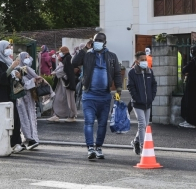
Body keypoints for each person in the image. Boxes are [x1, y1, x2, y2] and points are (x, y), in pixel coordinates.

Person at [72, 32, 122, 160]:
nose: (97, 42)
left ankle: (98, 147)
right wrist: (84, 49)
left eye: (100, 40)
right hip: (89, 95)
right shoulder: (87, 55)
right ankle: (90, 148)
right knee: (88, 122)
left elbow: (117, 73)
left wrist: (119, 89)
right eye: (95, 40)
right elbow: (74, 62)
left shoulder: (112, 57)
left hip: (105, 96)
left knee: (102, 124)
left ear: (105, 42)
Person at [0, 40, 24, 153]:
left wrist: (19, 75)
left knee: (15, 118)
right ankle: (7, 143)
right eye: (7, 47)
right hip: (1, 95)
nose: (9, 49)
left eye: (10, 47)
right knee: (5, 118)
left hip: (10, 95)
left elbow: (11, 78)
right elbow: (1, 79)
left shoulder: (8, 62)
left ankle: (16, 142)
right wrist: (11, 68)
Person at [127, 51, 158, 155]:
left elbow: (154, 84)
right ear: (137, 61)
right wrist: (136, 98)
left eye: (146, 59)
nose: (145, 62)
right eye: (142, 60)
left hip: (147, 103)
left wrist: (151, 97)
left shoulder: (149, 71)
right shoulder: (132, 72)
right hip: (137, 103)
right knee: (142, 123)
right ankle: (142, 147)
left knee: (145, 125)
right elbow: (130, 87)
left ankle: (135, 141)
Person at [16, 52, 41, 150]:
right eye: (25, 57)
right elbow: (23, 84)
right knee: (24, 118)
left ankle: (31, 139)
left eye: (28, 57)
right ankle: (28, 138)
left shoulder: (29, 70)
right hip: (22, 98)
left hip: (29, 97)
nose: (28, 59)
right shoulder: (19, 69)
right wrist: (33, 81)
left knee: (31, 117)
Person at [48, 47, 78, 123]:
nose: (58, 54)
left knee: (68, 100)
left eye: (60, 52)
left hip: (66, 84)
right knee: (60, 99)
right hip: (63, 84)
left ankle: (71, 115)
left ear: (63, 52)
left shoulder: (67, 60)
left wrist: (55, 73)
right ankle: (57, 115)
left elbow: (64, 70)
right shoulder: (66, 59)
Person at [180, 45, 196, 129]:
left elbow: (184, 70)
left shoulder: (193, 61)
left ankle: (190, 121)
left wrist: (187, 72)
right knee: (194, 102)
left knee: (189, 102)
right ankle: (191, 121)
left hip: (191, 84)